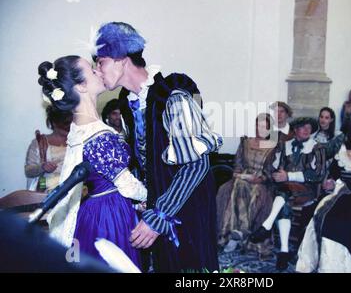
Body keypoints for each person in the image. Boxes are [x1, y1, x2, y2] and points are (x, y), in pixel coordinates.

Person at [93, 22, 222, 272]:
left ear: (121, 59)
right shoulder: (129, 104)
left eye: (101, 61)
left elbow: (195, 165)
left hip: (187, 207)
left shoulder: (172, 97)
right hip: (160, 206)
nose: (97, 70)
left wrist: (160, 215)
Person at [39, 56, 148, 269]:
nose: (98, 71)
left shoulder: (80, 128)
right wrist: (151, 198)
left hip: (97, 209)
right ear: (80, 86)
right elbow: (128, 185)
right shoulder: (97, 134)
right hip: (110, 215)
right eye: (91, 69)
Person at [296, 119, 351, 273]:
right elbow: (331, 179)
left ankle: (346, 267)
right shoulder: (340, 156)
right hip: (337, 198)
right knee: (323, 216)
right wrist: (328, 183)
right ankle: (326, 265)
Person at [249, 117, 327, 270]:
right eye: (302, 127)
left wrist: (290, 176)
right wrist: (275, 174)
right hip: (283, 190)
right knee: (283, 199)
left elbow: (318, 174)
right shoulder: (284, 145)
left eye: (309, 127)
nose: (306, 130)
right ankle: (284, 251)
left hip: (305, 191)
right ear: (295, 130)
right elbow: (270, 165)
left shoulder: (317, 148)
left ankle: (267, 225)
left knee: (283, 195)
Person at [216, 113, 277, 258]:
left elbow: (270, 172)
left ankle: (238, 234)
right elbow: (237, 164)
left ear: (269, 130)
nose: (259, 129)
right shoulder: (245, 142)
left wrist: (260, 179)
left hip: (259, 182)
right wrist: (238, 174)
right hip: (242, 178)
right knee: (228, 188)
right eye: (258, 125)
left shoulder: (272, 147)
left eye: (264, 126)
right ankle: (234, 234)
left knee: (254, 191)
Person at [25, 106, 72, 192]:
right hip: (46, 186)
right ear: (54, 123)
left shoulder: (77, 142)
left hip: (72, 186)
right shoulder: (40, 142)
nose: (68, 127)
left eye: (71, 124)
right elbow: (28, 171)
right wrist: (42, 167)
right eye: (65, 124)